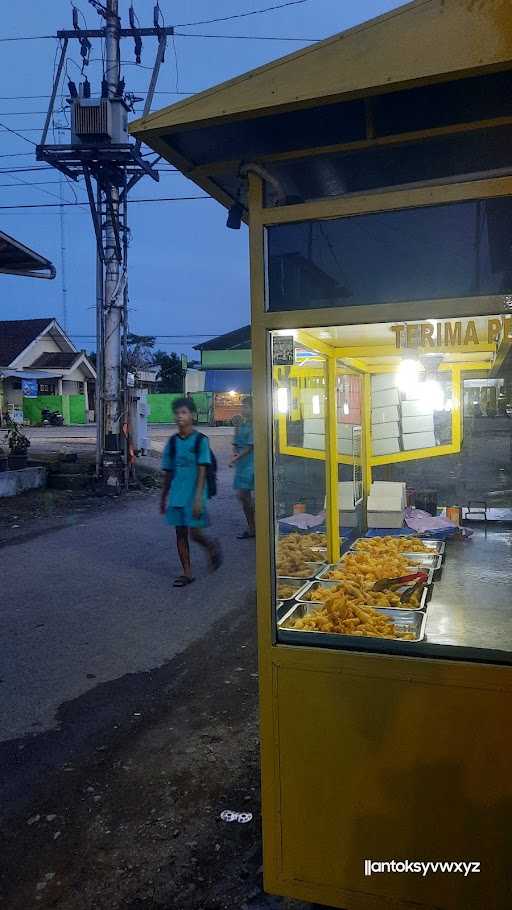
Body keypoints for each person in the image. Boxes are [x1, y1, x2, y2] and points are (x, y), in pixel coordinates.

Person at [160, 398, 222, 587]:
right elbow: (168, 472)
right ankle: (187, 573)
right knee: (180, 534)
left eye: (184, 413)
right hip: (177, 495)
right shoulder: (172, 442)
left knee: (194, 533)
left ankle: (211, 546)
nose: (180, 416)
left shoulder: (200, 440)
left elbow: (203, 470)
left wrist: (198, 499)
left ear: (192, 415)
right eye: (177, 413)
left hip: (195, 494)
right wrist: (163, 497)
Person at [229, 397, 255, 539]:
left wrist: (236, 458)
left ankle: (254, 526)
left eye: (247, 407)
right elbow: (236, 441)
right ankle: (252, 526)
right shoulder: (243, 423)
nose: (243, 410)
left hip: (251, 464)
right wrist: (236, 426)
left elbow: (250, 446)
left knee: (245, 497)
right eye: (243, 407)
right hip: (242, 465)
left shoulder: (255, 425)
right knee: (244, 498)